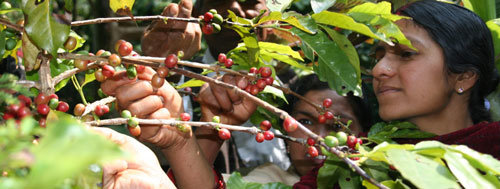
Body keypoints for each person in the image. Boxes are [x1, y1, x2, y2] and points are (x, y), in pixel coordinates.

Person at [294, 1, 500, 188]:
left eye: (406, 54)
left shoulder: (493, 145)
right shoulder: (360, 154)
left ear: (464, 77)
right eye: (380, 56)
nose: (378, 70)